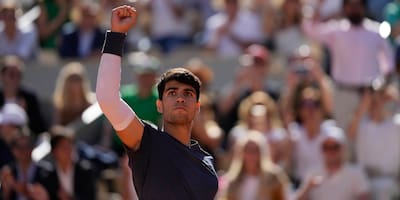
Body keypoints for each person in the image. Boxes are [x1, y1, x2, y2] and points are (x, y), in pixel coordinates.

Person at [96, 5, 218, 199]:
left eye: (188, 93)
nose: (180, 97)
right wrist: (116, 35)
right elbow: (107, 99)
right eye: (172, 92)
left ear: (197, 108)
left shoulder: (207, 162)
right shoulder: (147, 142)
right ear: (159, 105)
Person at [302, 0, 395, 129]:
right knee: (343, 138)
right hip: (343, 94)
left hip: (370, 96)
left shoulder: (377, 31)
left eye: (358, 5)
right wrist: (319, 5)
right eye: (350, 5)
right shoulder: (336, 30)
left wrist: (381, 87)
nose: (354, 9)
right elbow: (310, 29)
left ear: (364, 7)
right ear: (344, 8)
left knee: (367, 139)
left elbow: (388, 64)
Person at [347, 82, 400, 200]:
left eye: (381, 98)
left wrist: (396, 99)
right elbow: (350, 133)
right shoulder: (361, 123)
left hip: (389, 182)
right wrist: (365, 102)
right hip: (363, 183)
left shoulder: (396, 123)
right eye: (373, 99)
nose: (376, 102)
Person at [295, 126, 370, 200]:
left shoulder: (356, 173)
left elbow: (364, 197)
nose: (331, 151)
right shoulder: (312, 172)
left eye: (335, 147)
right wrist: (308, 187)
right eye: (326, 147)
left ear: (343, 148)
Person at [216, 130, 289, 200]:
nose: (251, 154)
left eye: (255, 150)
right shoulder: (233, 181)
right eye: (247, 150)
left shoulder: (274, 177)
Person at [0, 55, 48, 135]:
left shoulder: (29, 98)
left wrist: (25, 113)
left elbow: (40, 129)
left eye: (18, 75)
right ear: (2, 76)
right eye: (11, 74)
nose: (15, 79)